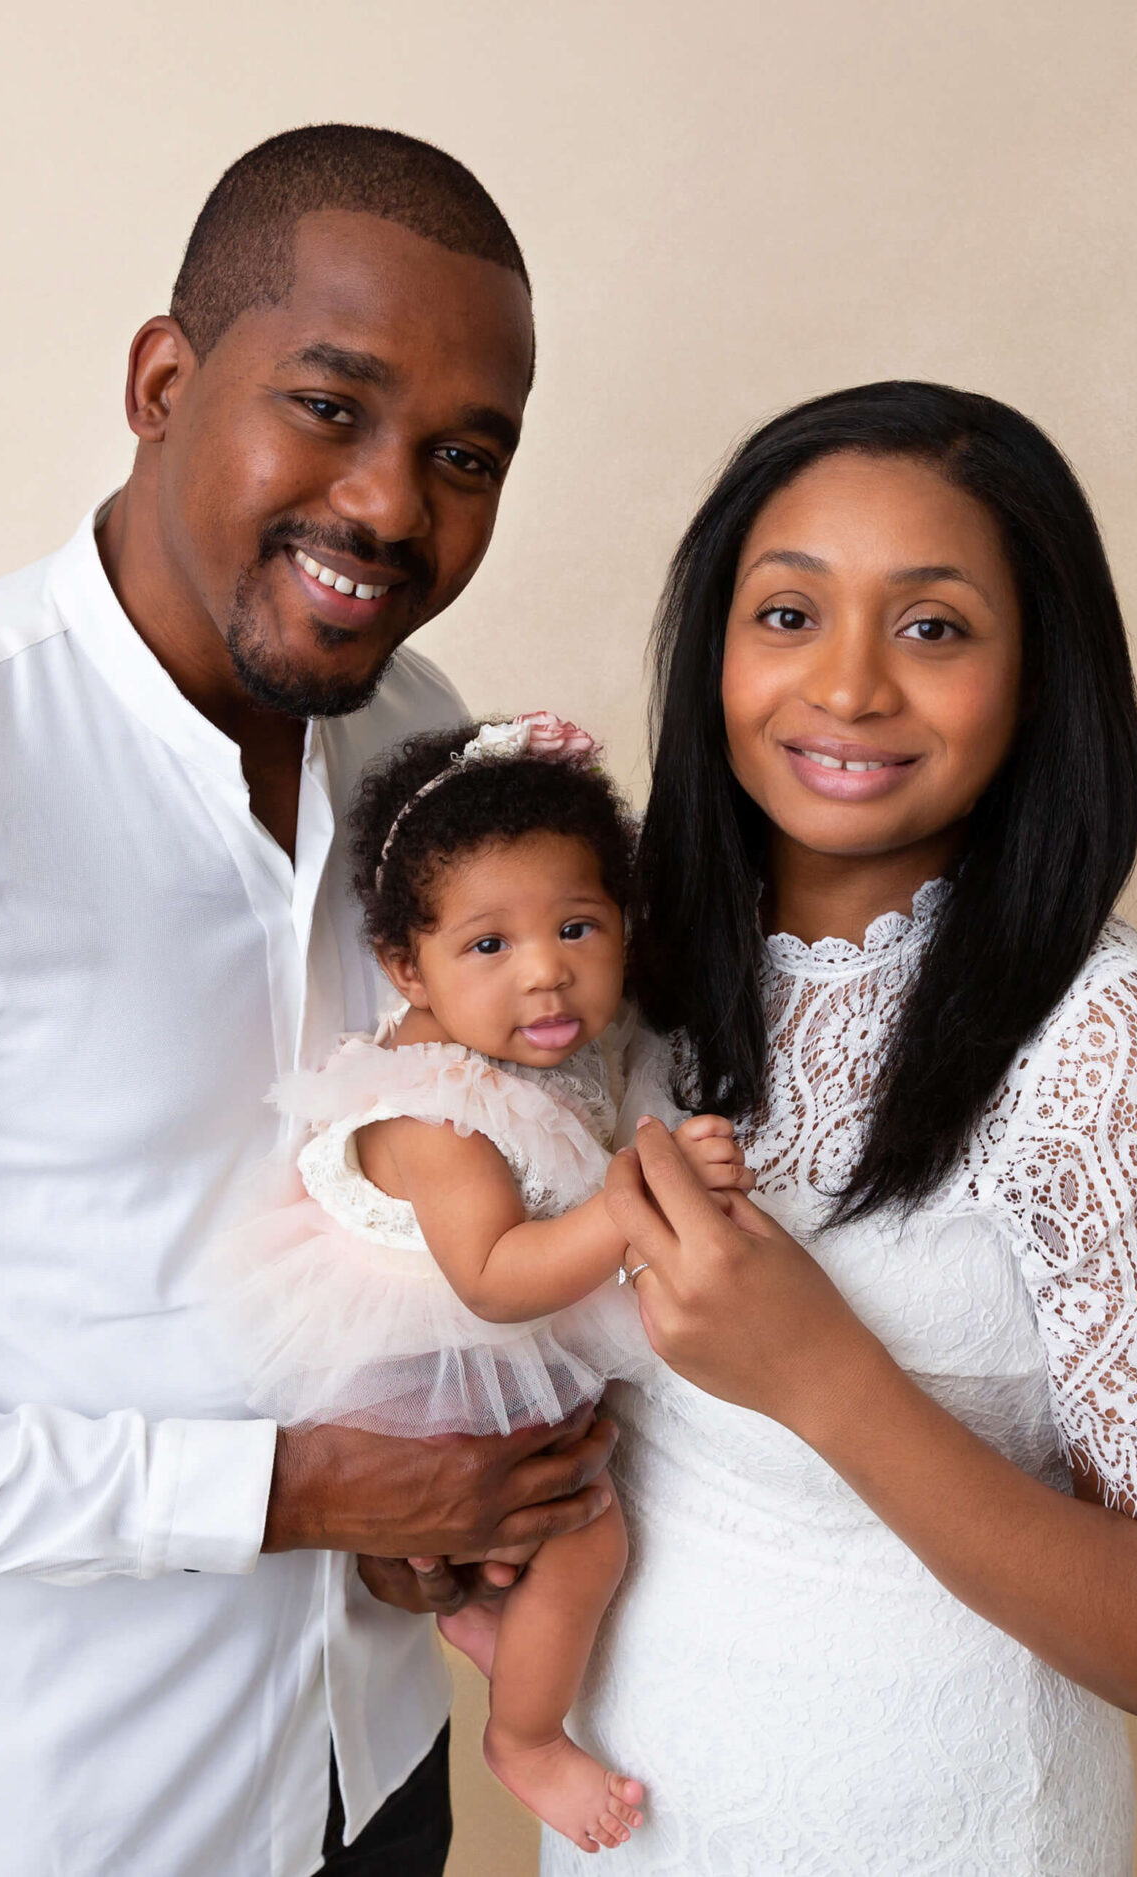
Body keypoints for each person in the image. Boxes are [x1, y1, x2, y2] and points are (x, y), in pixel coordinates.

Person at [0, 125, 619, 1877]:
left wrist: (428, 1500)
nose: (392, 503)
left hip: (382, 1772)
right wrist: (288, 1493)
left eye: (466, 453)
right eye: (330, 404)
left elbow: (407, 1183)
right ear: (164, 380)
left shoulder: (418, 739)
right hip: (57, 1825)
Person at [556, 382, 1137, 1873]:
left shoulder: (1101, 1040)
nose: (847, 687)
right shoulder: (625, 976)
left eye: (934, 627)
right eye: (787, 615)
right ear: (711, 647)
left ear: (1039, 678)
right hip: (637, 1823)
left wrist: (821, 1372)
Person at [206, 714, 750, 1853]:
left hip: (473, 1347)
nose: (546, 968)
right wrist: (634, 1200)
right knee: (587, 1530)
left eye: (576, 926)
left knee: (552, 1527)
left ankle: (492, 1615)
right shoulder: (442, 1109)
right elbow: (499, 1279)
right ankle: (528, 1735)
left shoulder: (553, 1050)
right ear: (408, 967)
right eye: (488, 946)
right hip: (423, 1368)